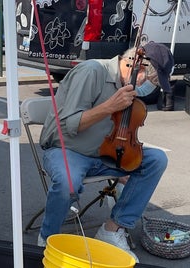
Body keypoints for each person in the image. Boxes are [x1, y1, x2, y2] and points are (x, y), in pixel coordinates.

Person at [37, 42, 174, 262]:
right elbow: (68, 126)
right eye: (152, 82)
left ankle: (112, 229)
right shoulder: (92, 71)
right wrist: (110, 106)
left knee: (156, 159)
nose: (151, 89)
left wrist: (129, 156)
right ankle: (48, 237)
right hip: (69, 149)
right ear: (137, 69)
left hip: (106, 152)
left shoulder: (128, 86)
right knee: (67, 182)